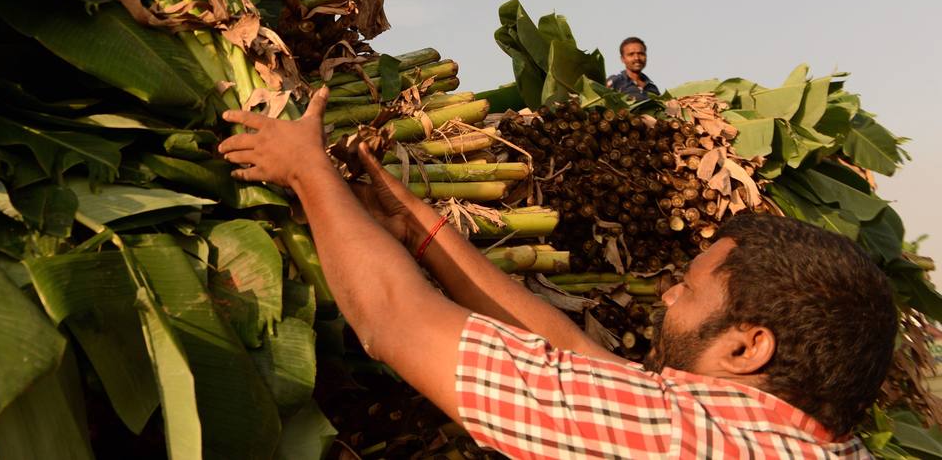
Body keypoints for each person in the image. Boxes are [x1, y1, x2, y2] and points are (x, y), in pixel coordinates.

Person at [218, 90, 896, 459]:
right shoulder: (797, 442)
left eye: (687, 289)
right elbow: (573, 356)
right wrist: (420, 230)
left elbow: (394, 321)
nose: (667, 293)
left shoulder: (682, 444)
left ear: (749, 345)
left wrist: (306, 170)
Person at [608, 35, 660, 100]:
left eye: (641, 54)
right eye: (631, 54)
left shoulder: (652, 88)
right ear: (622, 59)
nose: (637, 58)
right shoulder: (615, 82)